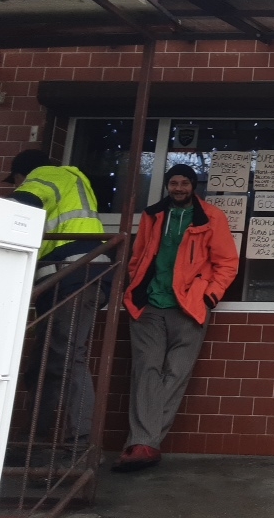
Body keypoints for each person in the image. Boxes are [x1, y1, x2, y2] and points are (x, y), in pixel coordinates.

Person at [112, 164, 238, 472]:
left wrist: (208, 297)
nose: (178, 188)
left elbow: (227, 263)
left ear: (194, 186)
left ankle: (144, 442)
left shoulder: (212, 217)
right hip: (150, 306)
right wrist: (137, 285)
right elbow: (138, 257)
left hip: (190, 308)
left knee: (175, 374)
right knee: (146, 372)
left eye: (184, 183)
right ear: (167, 186)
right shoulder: (153, 215)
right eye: (173, 183)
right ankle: (144, 443)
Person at [4, 149, 110, 450]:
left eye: (17, 180)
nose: (18, 185)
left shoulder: (46, 174)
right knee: (44, 362)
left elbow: (20, 205)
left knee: (68, 356)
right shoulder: (71, 181)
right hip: (72, 277)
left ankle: (80, 445)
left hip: (73, 274)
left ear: (24, 173)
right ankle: (36, 441)